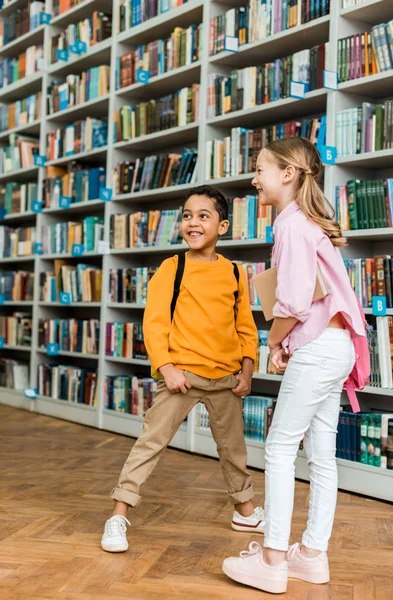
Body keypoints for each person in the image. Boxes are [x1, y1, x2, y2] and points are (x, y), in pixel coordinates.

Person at [222, 137, 366, 594]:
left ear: (287, 174)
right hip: (337, 345)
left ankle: (271, 559)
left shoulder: (291, 225)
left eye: (260, 169)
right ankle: (312, 555)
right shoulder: (310, 224)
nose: (253, 179)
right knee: (321, 455)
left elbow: (296, 299)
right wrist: (289, 337)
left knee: (280, 448)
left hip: (318, 346)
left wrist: (275, 342)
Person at [101, 184, 264, 553]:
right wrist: (167, 366)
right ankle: (118, 513)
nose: (192, 222)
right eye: (187, 216)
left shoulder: (236, 273)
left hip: (226, 379)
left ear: (222, 227)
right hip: (182, 378)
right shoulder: (171, 269)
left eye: (203, 216)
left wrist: (248, 368)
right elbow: (155, 323)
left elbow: (245, 327)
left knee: (233, 450)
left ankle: (246, 510)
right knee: (150, 443)